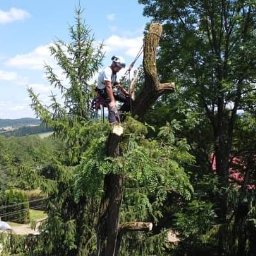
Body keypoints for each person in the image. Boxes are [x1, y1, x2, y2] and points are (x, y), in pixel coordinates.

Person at [96, 56, 131, 124]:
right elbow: (108, 86)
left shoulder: (114, 73)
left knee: (129, 100)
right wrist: (112, 101)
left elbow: (117, 83)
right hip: (103, 92)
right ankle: (113, 123)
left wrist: (124, 92)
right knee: (112, 106)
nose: (119, 70)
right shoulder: (107, 71)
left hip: (109, 90)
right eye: (119, 68)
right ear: (115, 64)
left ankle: (119, 115)